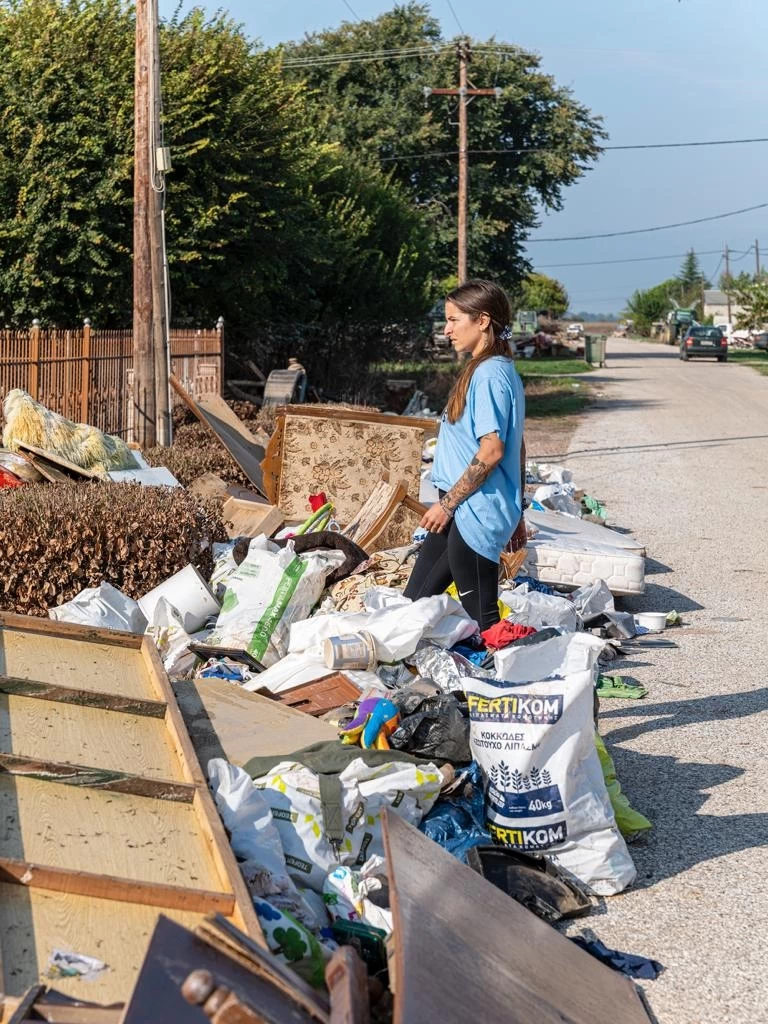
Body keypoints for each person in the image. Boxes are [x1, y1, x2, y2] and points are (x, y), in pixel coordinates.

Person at [404, 280, 526, 630]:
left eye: (454, 320)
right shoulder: (496, 368)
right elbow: (518, 446)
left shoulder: (489, 375)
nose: (447, 330)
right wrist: (518, 511)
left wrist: (447, 505)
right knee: (414, 605)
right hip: (463, 509)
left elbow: (493, 451)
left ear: (483, 320)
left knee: (482, 618)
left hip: (472, 510)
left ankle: (503, 682)